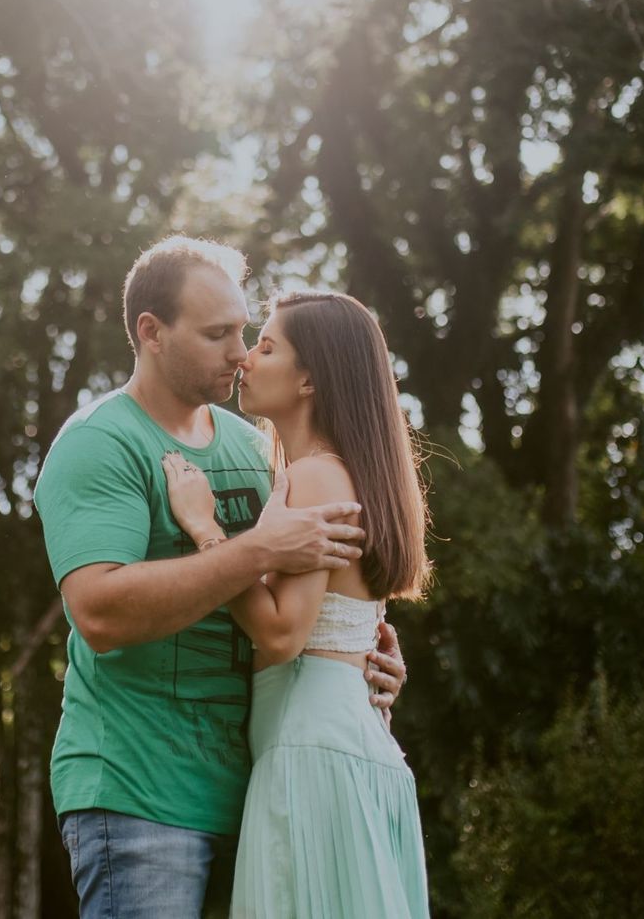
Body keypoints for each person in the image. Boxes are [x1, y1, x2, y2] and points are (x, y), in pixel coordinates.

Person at [33, 237, 410, 918]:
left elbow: (313, 593)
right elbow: (99, 614)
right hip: (143, 795)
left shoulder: (258, 449)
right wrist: (244, 546)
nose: (240, 353)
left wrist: (360, 651)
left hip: (263, 783)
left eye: (246, 332)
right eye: (218, 334)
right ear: (152, 332)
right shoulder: (101, 443)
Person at [163, 290, 431, 918]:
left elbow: (283, 635)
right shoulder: (335, 473)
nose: (245, 359)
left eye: (266, 347)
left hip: (311, 753)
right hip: (346, 745)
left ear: (308, 379)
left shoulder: (315, 475)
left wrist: (207, 531)